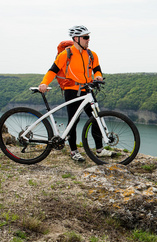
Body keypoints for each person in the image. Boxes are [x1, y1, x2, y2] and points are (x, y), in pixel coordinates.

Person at [38, 25, 113, 161]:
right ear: (76, 39)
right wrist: (44, 83)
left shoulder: (91, 54)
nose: (88, 40)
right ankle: (73, 151)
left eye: (88, 37)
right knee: (73, 121)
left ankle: (100, 150)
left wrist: (98, 76)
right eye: (85, 37)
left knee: (96, 118)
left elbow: (97, 69)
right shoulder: (66, 54)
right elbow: (52, 70)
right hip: (71, 91)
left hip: (87, 90)